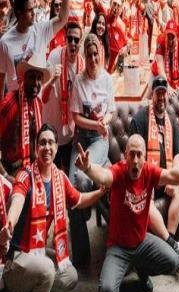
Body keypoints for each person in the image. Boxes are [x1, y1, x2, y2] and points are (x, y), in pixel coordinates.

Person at [74, 135, 179, 292]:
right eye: (131, 154)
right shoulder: (118, 172)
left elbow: (171, 175)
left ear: (144, 156)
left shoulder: (149, 171)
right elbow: (103, 176)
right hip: (118, 247)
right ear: (125, 155)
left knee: (173, 262)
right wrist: (88, 168)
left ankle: (141, 270)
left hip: (142, 241)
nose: (135, 160)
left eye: (139, 155)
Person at [0, 124, 105, 292]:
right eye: (42, 143)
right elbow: (17, 199)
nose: (47, 147)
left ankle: (30, 291)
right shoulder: (25, 175)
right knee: (48, 268)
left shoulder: (59, 178)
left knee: (70, 276)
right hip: (16, 258)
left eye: (50, 143)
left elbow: (79, 200)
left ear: (56, 147)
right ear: (36, 148)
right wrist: (10, 222)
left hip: (38, 252)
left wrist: (100, 192)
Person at [68, 33, 116, 267]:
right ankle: (81, 256)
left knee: (82, 178)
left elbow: (111, 111)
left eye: (96, 54)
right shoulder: (79, 81)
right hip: (81, 138)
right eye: (89, 55)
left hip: (99, 140)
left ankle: (85, 210)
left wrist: (103, 123)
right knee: (70, 189)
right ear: (84, 57)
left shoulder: (107, 79)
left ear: (101, 54)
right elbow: (76, 117)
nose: (93, 58)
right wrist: (95, 124)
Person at [129, 76, 179, 241]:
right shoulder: (140, 119)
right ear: (152, 95)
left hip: (165, 175)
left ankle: (171, 236)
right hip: (147, 176)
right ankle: (168, 241)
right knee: (145, 199)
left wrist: (172, 175)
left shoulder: (171, 120)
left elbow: (178, 153)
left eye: (164, 93)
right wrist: (148, 178)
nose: (161, 97)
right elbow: (133, 157)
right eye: (157, 93)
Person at [0, 0, 69, 100]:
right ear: (19, 12)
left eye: (34, 8)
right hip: (16, 104)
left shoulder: (41, 30)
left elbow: (63, 19)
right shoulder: (5, 42)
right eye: (29, 10)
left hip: (38, 101)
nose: (34, 13)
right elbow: (1, 79)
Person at [0, 53, 50, 179]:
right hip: (10, 169)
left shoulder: (38, 104)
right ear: (24, 79)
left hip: (31, 166)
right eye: (32, 77)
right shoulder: (11, 102)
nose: (36, 83)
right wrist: (5, 175)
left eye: (39, 78)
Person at [42, 22, 84, 172]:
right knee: (50, 173)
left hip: (69, 134)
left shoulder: (82, 66)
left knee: (65, 175)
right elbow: (43, 96)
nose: (72, 43)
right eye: (69, 38)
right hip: (51, 130)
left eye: (76, 40)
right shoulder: (55, 56)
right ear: (65, 39)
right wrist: (53, 79)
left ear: (80, 43)